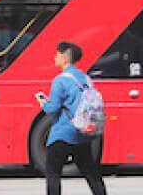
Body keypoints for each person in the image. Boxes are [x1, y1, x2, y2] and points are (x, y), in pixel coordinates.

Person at [37, 41, 105, 195]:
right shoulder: (85, 78)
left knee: (53, 173)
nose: (55, 58)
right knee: (91, 173)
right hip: (82, 133)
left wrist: (43, 102)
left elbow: (52, 108)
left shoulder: (60, 80)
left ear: (64, 58)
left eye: (57, 55)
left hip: (62, 133)